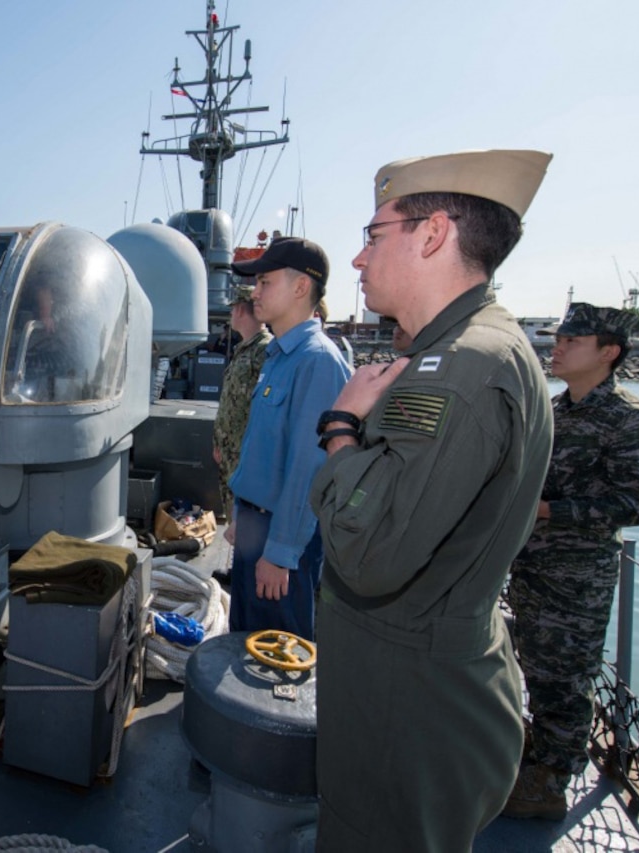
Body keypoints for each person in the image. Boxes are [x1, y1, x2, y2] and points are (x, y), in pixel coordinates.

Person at [309, 149, 554, 851]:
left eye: (372, 234)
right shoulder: (478, 349)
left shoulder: (460, 368)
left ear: (433, 233)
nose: (357, 260)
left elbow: (368, 551)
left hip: (404, 710)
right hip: (424, 685)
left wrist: (341, 429)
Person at [503, 303, 639, 820]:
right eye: (559, 339)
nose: (559, 347)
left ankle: (551, 783)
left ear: (608, 352)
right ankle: (537, 755)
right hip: (531, 568)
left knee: (567, 677)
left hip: (577, 580)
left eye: (573, 341)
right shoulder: (554, 410)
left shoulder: (630, 421)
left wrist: (552, 510)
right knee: (535, 666)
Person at [224, 238, 350, 639]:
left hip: (283, 539)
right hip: (255, 527)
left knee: (274, 659)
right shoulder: (281, 356)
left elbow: (309, 468)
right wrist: (240, 517)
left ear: (300, 288)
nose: (255, 292)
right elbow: (263, 446)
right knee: (243, 643)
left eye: (264, 282)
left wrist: (280, 554)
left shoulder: (317, 361)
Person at [211, 284, 272, 519]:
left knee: (247, 521)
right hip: (230, 451)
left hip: (246, 455)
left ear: (239, 310)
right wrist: (219, 442)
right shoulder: (244, 349)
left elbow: (265, 408)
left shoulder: (264, 351)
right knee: (234, 515)